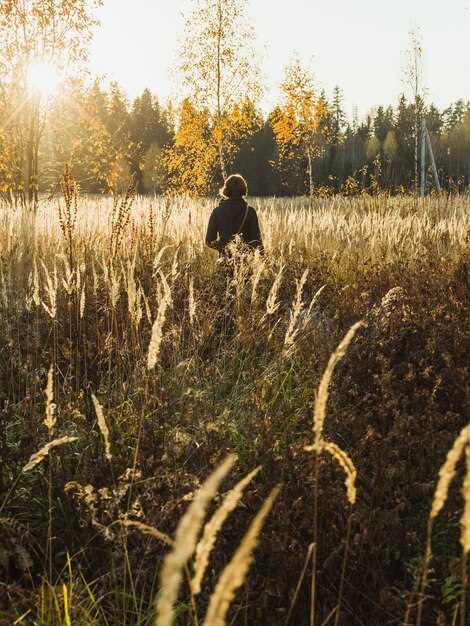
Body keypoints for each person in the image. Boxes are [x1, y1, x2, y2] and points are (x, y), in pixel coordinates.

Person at [205, 174, 263, 255]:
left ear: (226, 190)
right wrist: (264, 261)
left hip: (225, 261)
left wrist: (223, 247)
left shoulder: (217, 212)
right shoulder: (250, 212)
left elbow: (209, 241)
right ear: (244, 189)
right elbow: (257, 241)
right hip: (246, 262)